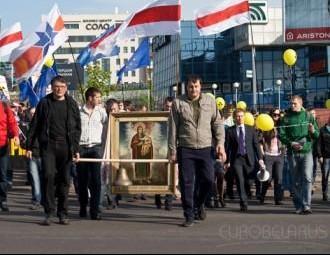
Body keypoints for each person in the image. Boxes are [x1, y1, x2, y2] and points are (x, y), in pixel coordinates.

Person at [168, 74, 226, 227]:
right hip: (186, 148)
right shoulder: (177, 103)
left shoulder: (210, 101)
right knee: (187, 183)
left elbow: (217, 123)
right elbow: (172, 129)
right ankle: (188, 215)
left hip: (206, 147)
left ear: (201, 87)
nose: (193, 89)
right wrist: (172, 151)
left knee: (208, 179)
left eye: (196, 86)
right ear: (186, 87)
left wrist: (220, 143)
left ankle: (198, 204)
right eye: (190, 87)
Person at [27, 75, 81, 225]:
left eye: (62, 87)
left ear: (66, 88)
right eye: (57, 86)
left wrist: (76, 148)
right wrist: (30, 146)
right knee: (48, 177)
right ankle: (49, 212)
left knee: (64, 180)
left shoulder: (72, 104)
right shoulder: (44, 103)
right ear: (52, 87)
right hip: (49, 147)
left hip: (66, 146)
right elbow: (35, 125)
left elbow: (77, 128)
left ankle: (63, 213)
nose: (59, 89)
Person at [279, 95, 319, 215]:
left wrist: (313, 131)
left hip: (306, 151)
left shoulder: (308, 116)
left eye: (294, 103)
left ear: (301, 104)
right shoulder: (286, 118)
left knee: (307, 177)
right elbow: (281, 134)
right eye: (291, 103)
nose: (292, 105)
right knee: (295, 181)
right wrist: (291, 143)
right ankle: (298, 205)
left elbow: (316, 135)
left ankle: (306, 205)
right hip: (293, 152)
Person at [77, 87, 108, 220]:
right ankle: (83, 205)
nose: (100, 100)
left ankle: (95, 210)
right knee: (82, 181)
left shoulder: (101, 112)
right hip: (82, 148)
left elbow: (110, 126)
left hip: (96, 148)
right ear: (90, 98)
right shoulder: (78, 112)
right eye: (97, 97)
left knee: (96, 180)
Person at [225, 108, 264, 212]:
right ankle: (243, 203)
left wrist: (260, 159)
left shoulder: (251, 129)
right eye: (237, 116)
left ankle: (246, 192)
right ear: (234, 118)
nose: (240, 118)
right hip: (237, 159)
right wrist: (227, 161)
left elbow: (256, 145)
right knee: (239, 180)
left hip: (249, 158)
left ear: (244, 117)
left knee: (249, 181)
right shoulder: (230, 131)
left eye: (242, 116)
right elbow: (227, 147)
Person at [259, 108, 285, 205]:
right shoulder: (265, 126)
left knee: (279, 178)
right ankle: (262, 195)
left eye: (279, 115)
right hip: (268, 155)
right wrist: (262, 155)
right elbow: (260, 142)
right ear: (271, 115)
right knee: (267, 178)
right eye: (275, 115)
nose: (277, 117)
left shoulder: (281, 127)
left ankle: (277, 199)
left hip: (279, 155)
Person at [155, 96, 174, 210]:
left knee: (171, 174)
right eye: (167, 106)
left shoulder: (176, 117)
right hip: (159, 150)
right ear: (163, 106)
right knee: (159, 174)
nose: (169, 109)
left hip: (171, 149)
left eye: (171, 107)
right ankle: (158, 197)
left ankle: (169, 201)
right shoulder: (158, 118)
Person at [0, 100, 19, 212]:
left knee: (2, 175)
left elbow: (12, 123)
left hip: (3, 146)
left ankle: (2, 200)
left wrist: (15, 135)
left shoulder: (4, 106)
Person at [317, 115, 330, 201]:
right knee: (325, 176)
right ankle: (325, 194)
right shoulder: (322, 130)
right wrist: (320, 155)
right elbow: (318, 144)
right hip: (325, 157)